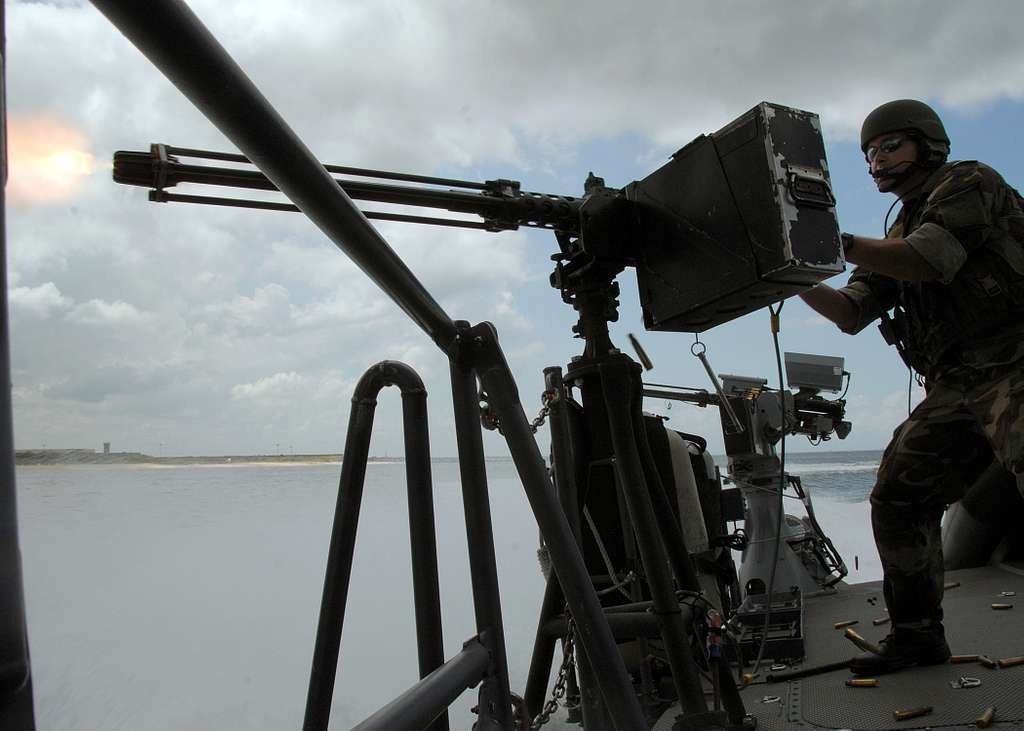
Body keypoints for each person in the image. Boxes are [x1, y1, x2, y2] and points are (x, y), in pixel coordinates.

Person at [800, 99, 1024, 675]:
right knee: (900, 493)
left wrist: (834, 243)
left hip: (1017, 359)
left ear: (927, 144)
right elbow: (852, 311)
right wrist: (790, 272)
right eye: (870, 151)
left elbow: (930, 258)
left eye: (890, 145)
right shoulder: (897, 227)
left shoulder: (970, 182)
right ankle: (918, 636)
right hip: (959, 382)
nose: (877, 159)